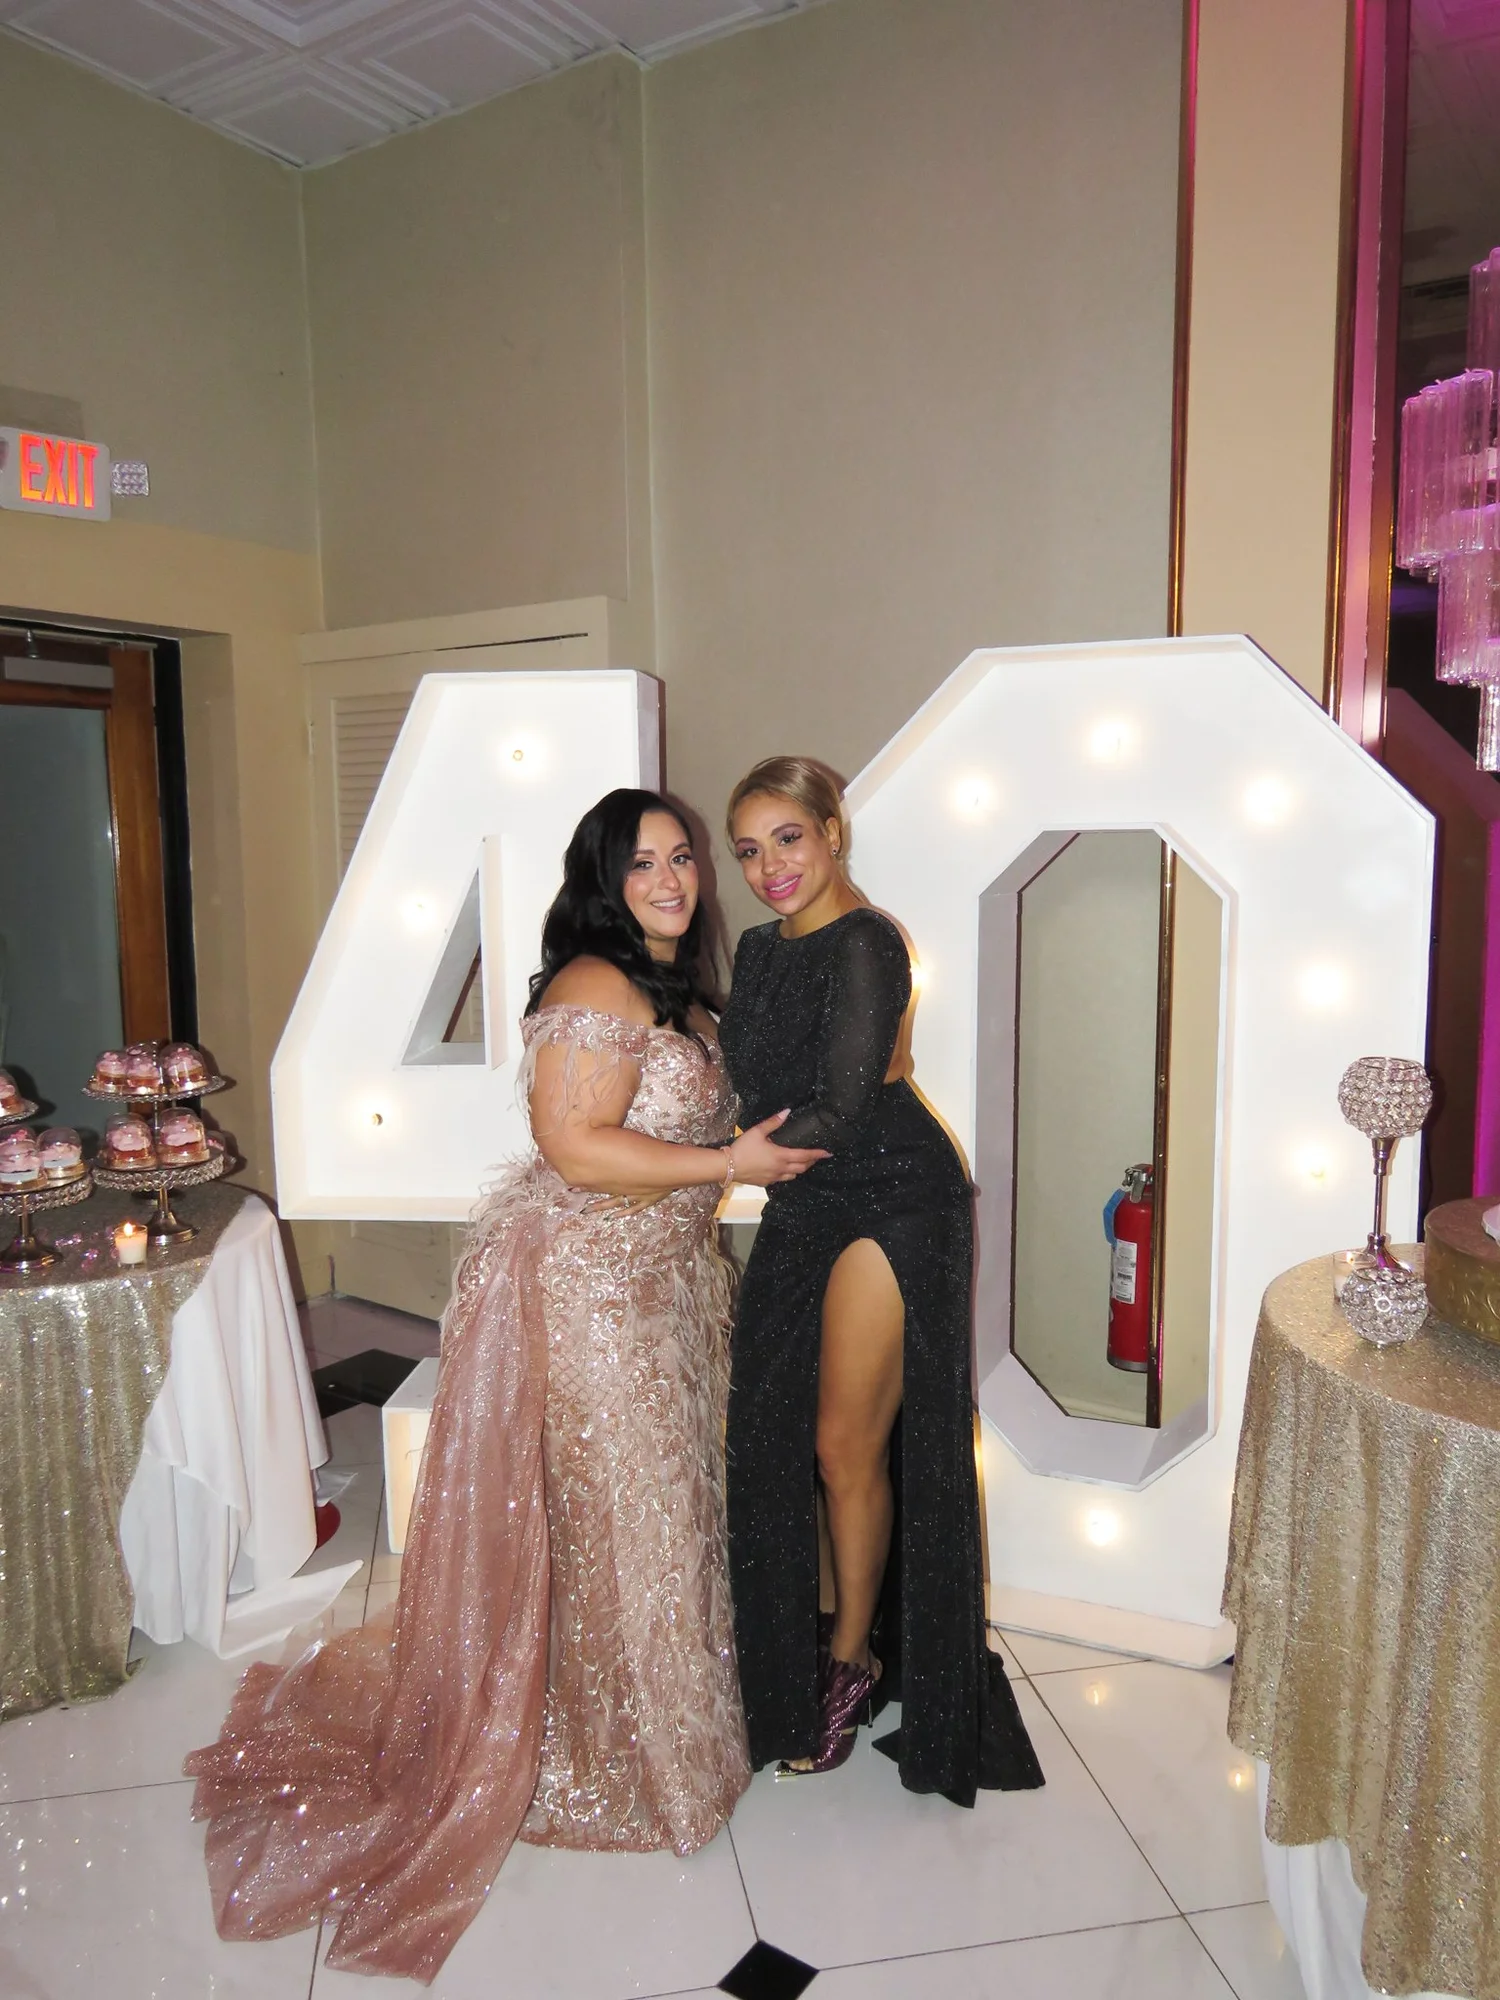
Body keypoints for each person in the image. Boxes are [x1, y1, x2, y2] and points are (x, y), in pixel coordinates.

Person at [184, 789, 826, 1984]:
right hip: (593, 1295)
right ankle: (612, 1762)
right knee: (626, 1519)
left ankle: (662, 1733)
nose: (674, 878)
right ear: (602, 879)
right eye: (644, 862)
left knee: (663, 1519)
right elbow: (574, 1145)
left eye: (684, 856)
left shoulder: (673, 987)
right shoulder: (594, 982)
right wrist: (728, 1157)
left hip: (664, 1285)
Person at [718, 756, 1044, 1802]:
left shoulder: (868, 941)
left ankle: (851, 1659)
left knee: (840, 1440)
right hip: (806, 1195)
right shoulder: (758, 948)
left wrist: (712, 1167)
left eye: (788, 838)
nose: (770, 866)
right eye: (749, 850)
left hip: (893, 1195)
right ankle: (793, 1644)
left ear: (832, 830)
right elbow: (749, 1084)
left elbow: (846, 1104)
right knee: (767, 1424)